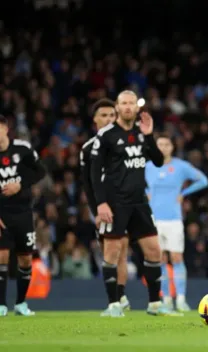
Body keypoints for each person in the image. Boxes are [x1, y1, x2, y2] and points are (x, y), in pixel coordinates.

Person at [90, 90, 176, 317]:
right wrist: (101, 204)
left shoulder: (141, 132)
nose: (128, 107)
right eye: (124, 103)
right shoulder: (106, 135)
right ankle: (113, 305)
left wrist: (149, 136)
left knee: (154, 251)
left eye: (131, 103)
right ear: (117, 107)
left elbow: (158, 162)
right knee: (112, 252)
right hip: (115, 203)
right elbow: (94, 171)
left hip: (139, 202)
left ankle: (155, 304)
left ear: (137, 108)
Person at [145, 134, 208, 312]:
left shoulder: (180, 167)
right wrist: (145, 193)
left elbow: (203, 180)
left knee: (176, 258)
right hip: (154, 219)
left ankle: (180, 300)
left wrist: (184, 193)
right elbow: (135, 185)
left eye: (166, 144)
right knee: (160, 259)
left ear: (172, 147)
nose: (163, 147)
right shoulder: (148, 167)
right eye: (160, 144)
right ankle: (166, 299)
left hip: (173, 219)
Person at [80, 98, 130, 310]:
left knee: (121, 249)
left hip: (124, 204)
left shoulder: (127, 141)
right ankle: (117, 297)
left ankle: (119, 298)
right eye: (104, 115)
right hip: (102, 206)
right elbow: (87, 183)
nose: (109, 119)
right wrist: (96, 210)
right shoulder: (88, 148)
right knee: (108, 251)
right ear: (95, 120)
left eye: (112, 115)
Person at [0, 115, 46, 316]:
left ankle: (20, 303)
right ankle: (1, 304)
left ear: (5, 127)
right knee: (1, 257)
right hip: (2, 214)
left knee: (26, 259)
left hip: (23, 212)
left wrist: (20, 184)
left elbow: (40, 171)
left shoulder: (22, 149)